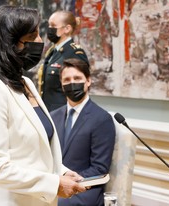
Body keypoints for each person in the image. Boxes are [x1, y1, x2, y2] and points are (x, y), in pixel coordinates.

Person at [0, 5, 86, 206]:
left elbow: (33, 151)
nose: (40, 42)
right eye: (31, 38)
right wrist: (54, 183)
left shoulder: (25, 83)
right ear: (9, 44)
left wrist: (62, 171)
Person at [50, 58, 116, 206]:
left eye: (77, 78)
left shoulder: (101, 118)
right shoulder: (53, 117)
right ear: (61, 84)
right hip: (54, 186)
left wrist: (67, 182)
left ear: (88, 81)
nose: (72, 83)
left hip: (84, 190)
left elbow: (99, 168)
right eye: (67, 79)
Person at [38, 10, 89, 112]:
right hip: (48, 112)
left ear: (67, 29)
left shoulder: (74, 53)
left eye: (53, 26)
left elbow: (78, 89)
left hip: (63, 114)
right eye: (49, 25)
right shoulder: (52, 51)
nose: (49, 29)